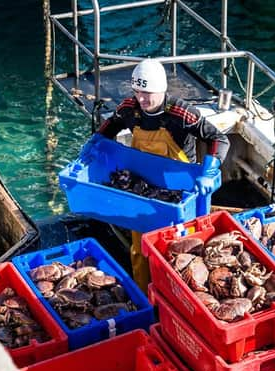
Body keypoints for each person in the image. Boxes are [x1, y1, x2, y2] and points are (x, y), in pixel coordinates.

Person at [98, 58, 230, 292]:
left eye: (148, 93)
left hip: (180, 194)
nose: (143, 99)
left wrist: (209, 172)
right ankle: (146, 297)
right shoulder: (130, 109)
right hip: (143, 191)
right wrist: (93, 146)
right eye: (138, 92)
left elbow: (218, 139)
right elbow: (107, 129)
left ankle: (180, 297)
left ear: (162, 90)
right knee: (140, 250)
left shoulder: (181, 113)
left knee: (181, 251)